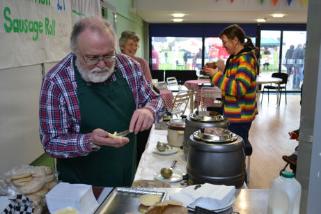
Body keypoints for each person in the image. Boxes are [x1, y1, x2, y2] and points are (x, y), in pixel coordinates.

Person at [39, 17, 165, 187]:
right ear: (75, 52)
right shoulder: (57, 81)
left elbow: (155, 99)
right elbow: (51, 142)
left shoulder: (129, 67)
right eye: (92, 58)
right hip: (79, 185)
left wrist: (149, 110)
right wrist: (89, 140)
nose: (102, 64)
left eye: (108, 55)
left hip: (125, 173)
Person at [203, 24, 258, 156]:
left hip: (240, 116)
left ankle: (239, 176)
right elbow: (231, 81)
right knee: (232, 152)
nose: (223, 45)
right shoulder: (235, 58)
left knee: (235, 154)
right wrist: (221, 71)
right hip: (233, 113)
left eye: (225, 41)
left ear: (235, 40)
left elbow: (239, 89)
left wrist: (216, 75)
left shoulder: (245, 59)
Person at [119, 30, 155, 164]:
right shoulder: (113, 62)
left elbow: (149, 89)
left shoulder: (141, 63)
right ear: (122, 45)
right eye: (130, 44)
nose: (133, 48)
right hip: (121, 114)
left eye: (136, 45)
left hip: (139, 114)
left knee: (139, 152)